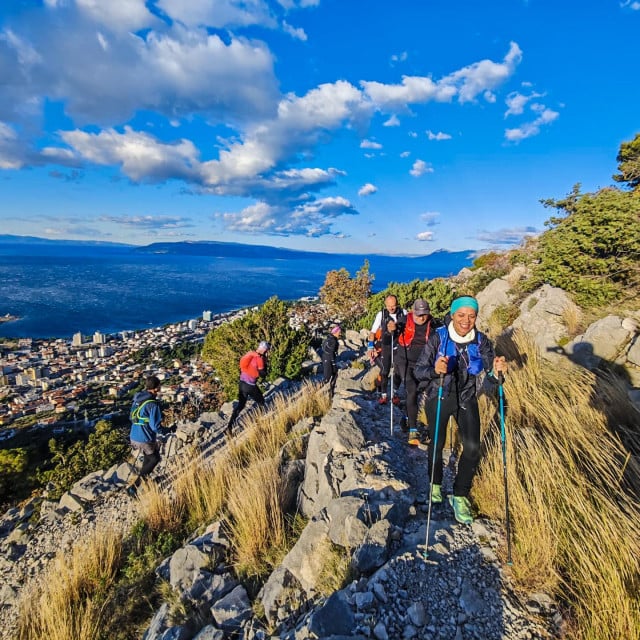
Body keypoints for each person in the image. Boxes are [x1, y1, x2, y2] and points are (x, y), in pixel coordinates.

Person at [414, 296, 508, 525]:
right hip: (439, 396)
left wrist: (497, 373)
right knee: (437, 443)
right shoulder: (438, 338)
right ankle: (434, 485)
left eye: (471, 315)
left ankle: (460, 494)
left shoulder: (481, 341)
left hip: (467, 397)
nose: (466, 321)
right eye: (461, 315)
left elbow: (492, 377)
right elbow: (419, 371)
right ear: (453, 315)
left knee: (473, 448)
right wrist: (435, 370)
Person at [394, 298, 437, 444]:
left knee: (420, 391)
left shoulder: (433, 324)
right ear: (413, 312)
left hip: (424, 364)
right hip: (404, 361)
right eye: (418, 314)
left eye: (424, 314)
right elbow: (392, 334)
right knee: (411, 390)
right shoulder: (404, 320)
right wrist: (391, 330)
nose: (421, 317)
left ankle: (407, 417)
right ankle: (413, 431)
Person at [128, 375, 163, 495]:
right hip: (145, 437)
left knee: (148, 457)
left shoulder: (138, 399)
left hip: (134, 435)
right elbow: (155, 426)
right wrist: (166, 430)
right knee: (155, 458)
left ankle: (145, 479)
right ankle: (134, 487)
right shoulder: (153, 404)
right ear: (156, 388)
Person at [226, 341, 271, 436]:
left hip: (242, 383)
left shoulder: (251, 354)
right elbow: (262, 374)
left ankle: (229, 427)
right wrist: (266, 364)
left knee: (240, 405)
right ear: (265, 350)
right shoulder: (260, 359)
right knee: (261, 402)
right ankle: (258, 422)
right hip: (250, 385)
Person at [367, 295, 406, 405]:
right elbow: (373, 332)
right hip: (386, 345)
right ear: (385, 305)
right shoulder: (382, 315)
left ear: (397, 304)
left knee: (399, 370)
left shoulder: (404, 313)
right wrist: (370, 347)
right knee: (385, 370)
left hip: (400, 345)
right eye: (389, 306)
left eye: (393, 306)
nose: (391, 308)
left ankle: (395, 393)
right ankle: (383, 395)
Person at [322, 325, 341, 397]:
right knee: (327, 378)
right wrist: (333, 363)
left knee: (335, 374)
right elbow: (331, 353)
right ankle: (317, 391)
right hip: (329, 359)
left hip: (325, 358)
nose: (340, 333)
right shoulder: (333, 341)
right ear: (335, 332)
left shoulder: (329, 338)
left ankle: (331, 392)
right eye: (339, 332)